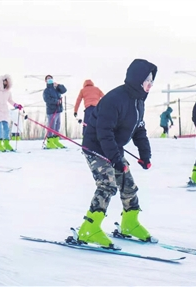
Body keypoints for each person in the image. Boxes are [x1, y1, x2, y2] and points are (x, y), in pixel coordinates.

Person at [77, 59, 158, 248]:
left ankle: (129, 224)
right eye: (148, 81)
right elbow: (104, 133)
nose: (150, 85)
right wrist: (115, 160)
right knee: (107, 185)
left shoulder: (139, 102)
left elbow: (139, 129)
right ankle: (88, 229)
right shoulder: (114, 99)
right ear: (138, 80)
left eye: (152, 82)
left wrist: (145, 155)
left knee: (128, 185)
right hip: (96, 146)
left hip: (113, 148)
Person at [0, 75, 23, 152]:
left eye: (7, 81)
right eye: (4, 81)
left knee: (6, 128)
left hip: (5, 111)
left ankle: (6, 143)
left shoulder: (8, 92)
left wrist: (16, 105)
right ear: (1, 81)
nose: (5, 83)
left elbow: (10, 100)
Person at [42, 75, 67, 149]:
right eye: (48, 79)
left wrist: (58, 85)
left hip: (58, 110)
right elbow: (47, 99)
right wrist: (56, 101)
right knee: (51, 126)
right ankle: (50, 141)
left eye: (51, 78)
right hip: (51, 111)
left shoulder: (56, 88)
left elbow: (64, 90)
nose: (50, 80)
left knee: (57, 126)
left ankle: (56, 140)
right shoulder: (46, 91)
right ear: (46, 81)